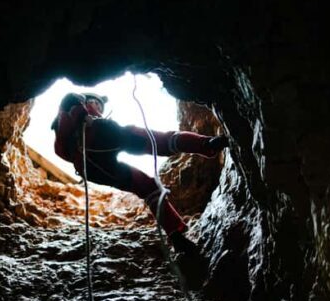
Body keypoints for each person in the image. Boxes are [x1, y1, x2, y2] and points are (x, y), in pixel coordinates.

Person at [51, 92, 229, 254]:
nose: (98, 109)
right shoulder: (71, 112)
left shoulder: (97, 124)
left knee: (146, 183)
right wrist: (82, 114)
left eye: (100, 106)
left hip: (96, 160)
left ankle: (177, 236)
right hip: (92, 152)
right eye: (95, 104)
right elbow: (68, 106)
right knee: (151, 140)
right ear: (87, 101)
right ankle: (205, 145)